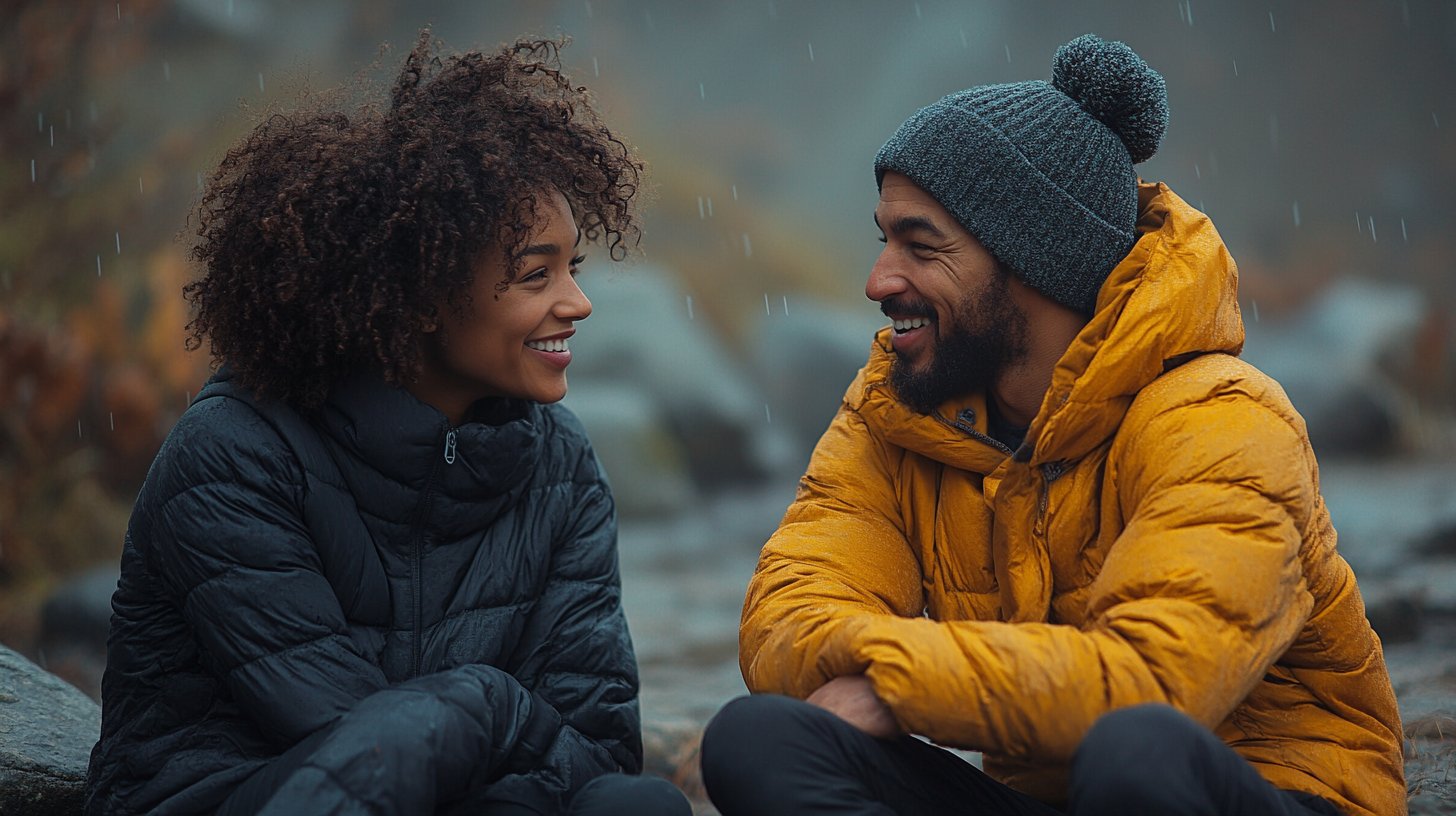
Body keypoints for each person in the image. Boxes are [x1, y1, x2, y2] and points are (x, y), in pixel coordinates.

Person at [700, 34, 1405, 816]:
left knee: (1136, 754)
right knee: (759, 737)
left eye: (920, 247)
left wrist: (897, 686)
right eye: (882, 240)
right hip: (1061, 796)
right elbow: (786, 618)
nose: (878, 281)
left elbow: (1156, 684)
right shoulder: (896, 414)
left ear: (1032, 262)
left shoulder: (1222, 416)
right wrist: (899, 671)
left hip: (1274, 792)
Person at [85, 32, 690, 816]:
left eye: (576, 268)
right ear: (422, 297)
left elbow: (599, 750)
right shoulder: (235, 454)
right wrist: (493, 708)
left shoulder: (562, 467)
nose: (577, 303)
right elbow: (356, 742)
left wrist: (495, 732)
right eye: (537, 275)